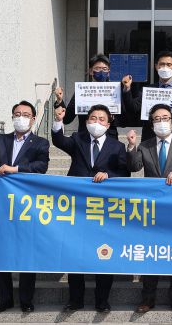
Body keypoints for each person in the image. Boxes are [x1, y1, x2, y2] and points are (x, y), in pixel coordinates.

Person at [52, 104, 130, 313]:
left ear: (108, 123)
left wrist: (109, 175)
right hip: (77, 206)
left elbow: (125, 173)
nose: (97, 122)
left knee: (104, 252)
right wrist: (58, 121)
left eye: (101, 119)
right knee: (75, 251)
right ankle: (75, 299)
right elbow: (58, 140)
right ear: (87, 121)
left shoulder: (117, 146)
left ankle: (102, 300)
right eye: (93, 118)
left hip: (103, 208)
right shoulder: (78, 139)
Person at [0, 100, 50, 313]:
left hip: (26, 204)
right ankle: (5, 299)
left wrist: (14, 169)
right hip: (1, 203)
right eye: (17, 114)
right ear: (12, 117)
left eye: (25, 114)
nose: (21, 118)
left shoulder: (40, 143)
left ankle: (26, 300)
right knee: (2, 249)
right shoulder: (2, 139)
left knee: (26, 250)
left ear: (33, 119)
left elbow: (41, 166)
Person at [125, 104, 172, 314]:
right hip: (152, 208)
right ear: (152, 124)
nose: (161, 122)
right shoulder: (145, 145)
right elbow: (134, 167)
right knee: (151, 253)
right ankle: (148, 299)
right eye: (157, 119)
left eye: (165, 118)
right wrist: (131, 146)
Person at [121, 50, 172, 141]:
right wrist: (127, 89)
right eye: (162, 64)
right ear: (156, 67)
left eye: (169, 65)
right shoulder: (147, 90)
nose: (165, 67)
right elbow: (133, 107)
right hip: (151, 137)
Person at [54, 54, 123, 138]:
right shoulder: (82, 91)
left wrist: (113, 117)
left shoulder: (115, 91)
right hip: (85, 138)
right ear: (91, 71)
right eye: (97, 68)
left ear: (108, 72)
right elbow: (67, 119)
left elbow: (124, 118)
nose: (101, 72)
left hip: (109, 138)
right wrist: (59, 101)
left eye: (105, 69)